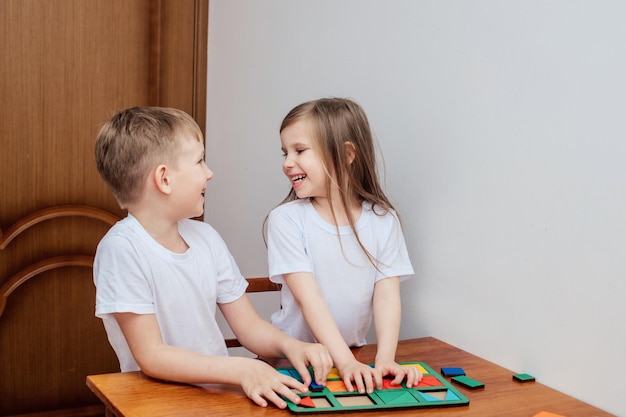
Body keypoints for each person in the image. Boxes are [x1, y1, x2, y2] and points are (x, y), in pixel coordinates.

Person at [93, 106, 332, 409]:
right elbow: (153, 356)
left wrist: (292, 346)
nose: (209, 173)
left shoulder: (206, 238)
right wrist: (243, 368)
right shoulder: (122, 249)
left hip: (218, 398)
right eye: (199, 161)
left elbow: (247, 327)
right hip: (157, 404)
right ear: (164, 179)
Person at [265, 98, 420, 395]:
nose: (287, 162)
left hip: (351, 356)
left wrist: (385, 359)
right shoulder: (285, 220)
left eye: (299, 150)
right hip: (291, 362)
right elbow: (311, 300)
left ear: (347, 153)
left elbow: (387, 297)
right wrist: (345, 362)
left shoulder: (383, 221)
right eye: (285, 152)